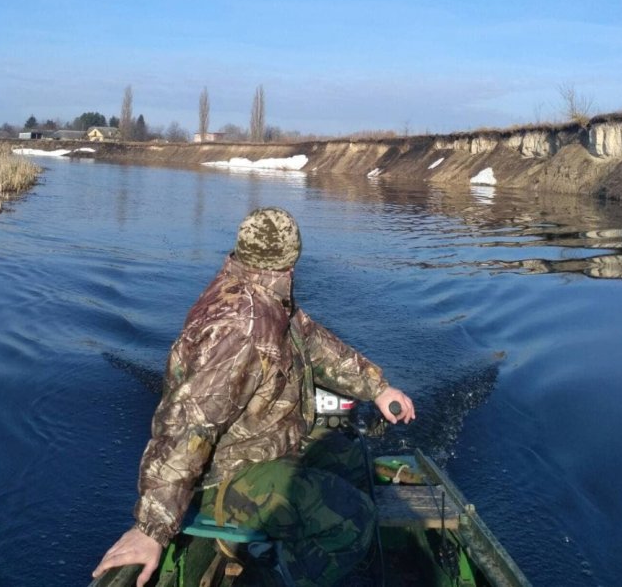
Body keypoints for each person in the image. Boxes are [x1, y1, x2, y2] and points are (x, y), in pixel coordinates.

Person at [92, 207, 415, 587]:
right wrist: (152, 528)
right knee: (354, 521)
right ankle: (273, 576)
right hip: (225, 478)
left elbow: (314, 342)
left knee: (350, 457)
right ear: (291, 259)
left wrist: (377, 387)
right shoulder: (237, 330)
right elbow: (187, 425)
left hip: (264, 445)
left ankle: (275, 547)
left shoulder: (266, 297)